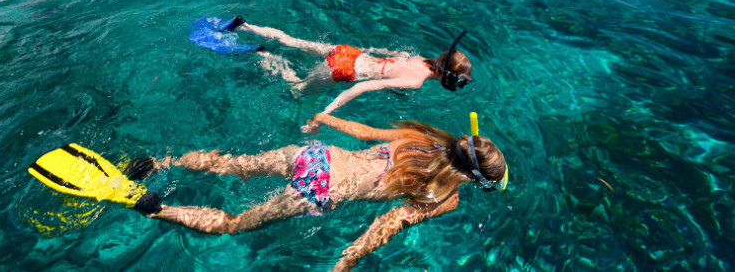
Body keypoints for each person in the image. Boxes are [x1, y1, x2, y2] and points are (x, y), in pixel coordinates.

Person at [140, 112, 508, 271]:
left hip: (315, 154)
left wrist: (323, 119)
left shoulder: (422, 138)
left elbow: (363, 132)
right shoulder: (447, 197)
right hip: (318, 189)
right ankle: (158, 209)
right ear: (477, 180)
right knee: (233, 224)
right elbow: (389, 223)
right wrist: (344, 263)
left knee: (236, 165)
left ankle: (162, 162)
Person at [227, 16, 475, 129]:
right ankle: (262, 54)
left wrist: (368, 51)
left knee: (292, 41)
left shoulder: (422, 60)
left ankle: (246, 26)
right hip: (344, 69)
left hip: (349, 53)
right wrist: (326, 113)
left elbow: (389, 55)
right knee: (298, 89)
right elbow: (363, 87)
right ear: (446, 76)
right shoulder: (416, 81)